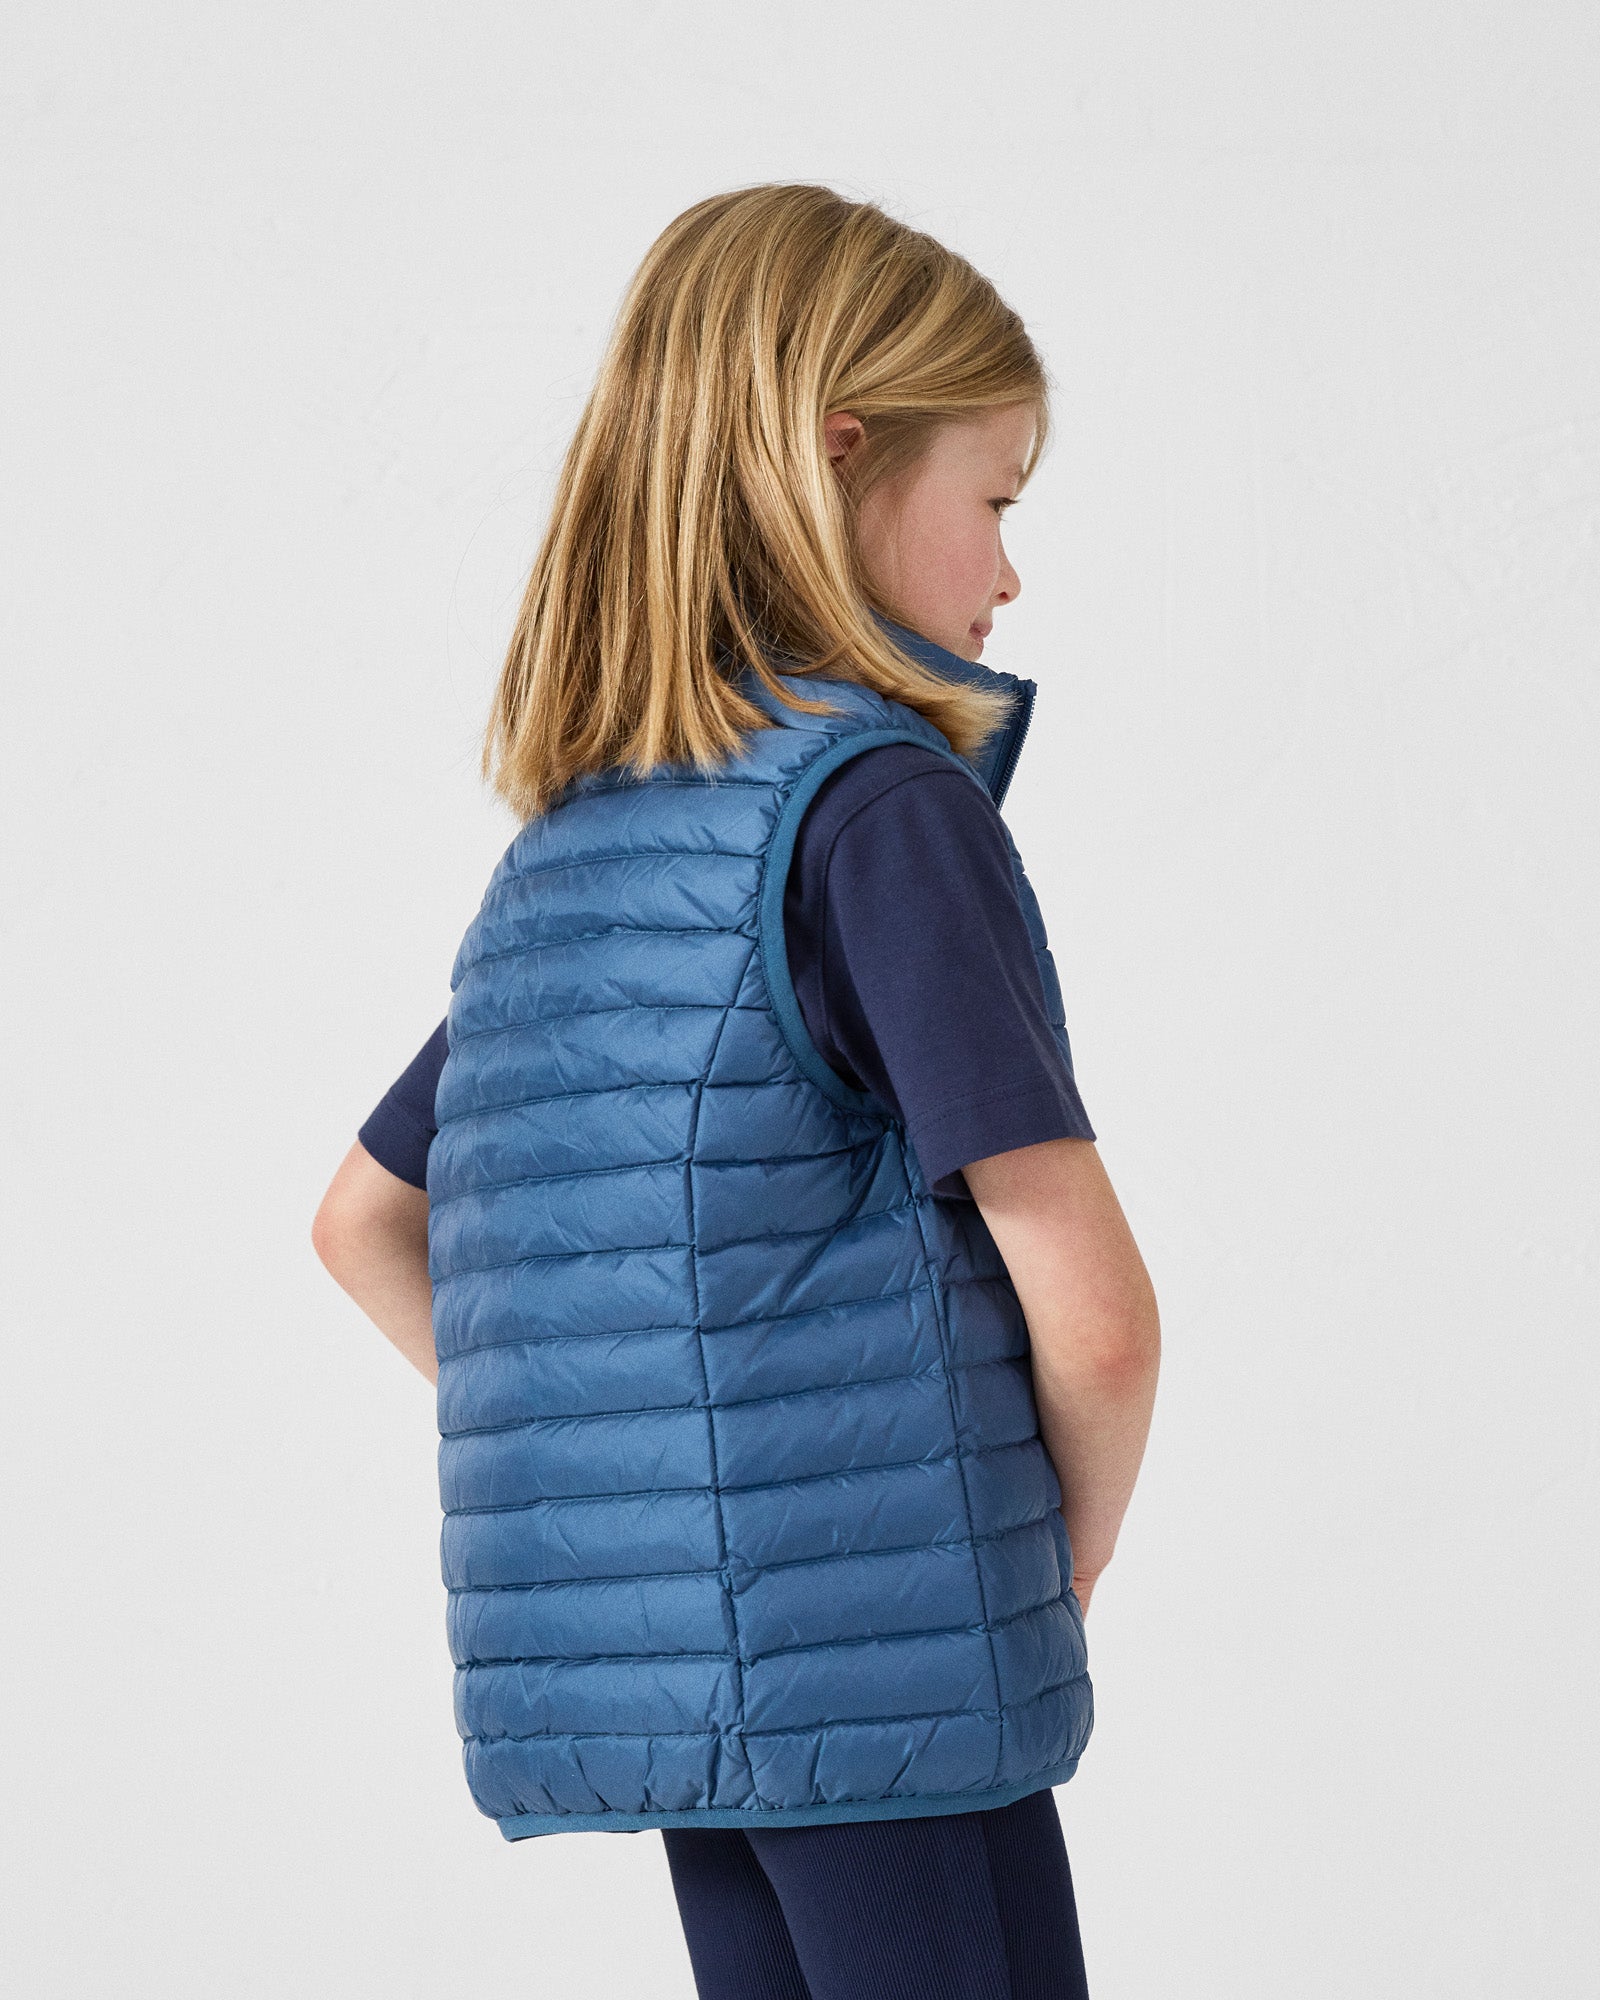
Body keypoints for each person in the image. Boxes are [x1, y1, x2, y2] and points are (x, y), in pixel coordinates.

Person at [313, 183, 1160, 1999]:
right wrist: (1056, 1562)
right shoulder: (880, 818)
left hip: (701, 1716)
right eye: (998, 501)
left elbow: (366, 1219)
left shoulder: (578, 854)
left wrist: (650, 1483)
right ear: (841, 453)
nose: (1010, 575)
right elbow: (1096, 1323)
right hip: (899, 1674)